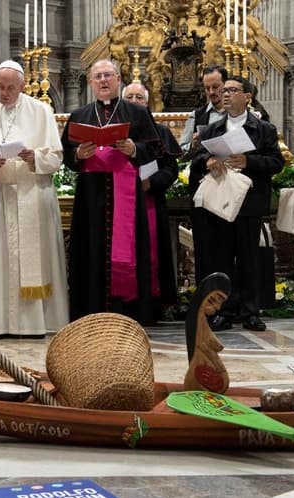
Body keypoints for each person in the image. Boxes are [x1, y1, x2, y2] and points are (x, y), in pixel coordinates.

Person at [0, 60, 68, 338]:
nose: (5, 93)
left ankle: (36, 323)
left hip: (34, 193)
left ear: (22, 85)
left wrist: (36, 158)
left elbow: (56, 158)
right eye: (0, 87)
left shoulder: (41, 111)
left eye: (11, 88)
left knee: (36, 259)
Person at [60, 59, 162, 324]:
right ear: (91, 83)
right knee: (90, 248)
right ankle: (89, 309)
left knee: (130, 250)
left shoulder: (137, 113)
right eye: (98, 77)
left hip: (126, 192)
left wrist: (134, 149)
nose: (103, 80)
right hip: (90, 197)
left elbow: (154, 150)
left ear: (118, 79)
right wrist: (78, 153)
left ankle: (129, 311)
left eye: (108, 75)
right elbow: (66, 155)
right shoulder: (79, 115)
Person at [191, 76, 284, 331]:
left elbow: (276, 162)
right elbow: (196, 160)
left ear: (247, 97)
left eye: (233, 90)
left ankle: (250, 311)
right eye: (224, 91)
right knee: (220, 259)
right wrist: (208, 162)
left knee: (249, 258)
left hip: (250, 202)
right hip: (221, 200)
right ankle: (223, 311)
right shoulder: (212, 129)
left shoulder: (264, 129)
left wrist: (249, 162)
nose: (227, 94)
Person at [122, 82, 178, 320]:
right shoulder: (115, 130)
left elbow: (170, 170)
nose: (135, 101)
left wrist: (151, 183)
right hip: (121, 204)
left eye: (139, 97)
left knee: (152, 254)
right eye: (130, 97)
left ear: (147, 102)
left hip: (150, 202)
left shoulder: (161, 132)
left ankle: (152, 303)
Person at [180, 65, 227, 285]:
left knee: (228, 246)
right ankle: (205, 297)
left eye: (216, 86)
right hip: (203, 186)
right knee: (204, 246)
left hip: (230, 185)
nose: (211, 92)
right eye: (207, 87)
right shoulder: (196, 115)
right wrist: (194, 144)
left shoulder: (238, 114)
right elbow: (182, 152)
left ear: (226, 86)